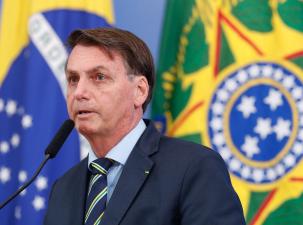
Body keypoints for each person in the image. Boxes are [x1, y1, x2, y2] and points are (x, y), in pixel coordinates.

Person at [44, 27, 246, 225]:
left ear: (139, 91)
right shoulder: (63, 188)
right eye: (73, 79)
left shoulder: (194, 168)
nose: (79, 92)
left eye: (99, 77)